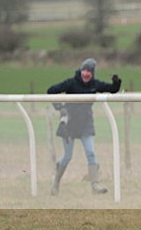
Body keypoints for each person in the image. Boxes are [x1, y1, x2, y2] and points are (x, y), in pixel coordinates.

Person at [47, 58, 121, 195]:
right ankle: (55, 183)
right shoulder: (71, 83)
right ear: (81, 71)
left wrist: (116, 82)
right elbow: (51, 91)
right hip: (69, 124)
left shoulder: (95, 85)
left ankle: (95, 184)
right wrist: (60, 107)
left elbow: (113, 89)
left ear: (93, 73)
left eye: (89, 71)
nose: (86, 74)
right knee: (67, 156)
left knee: (91, 152)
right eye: (84, 70)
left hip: (86, 124)